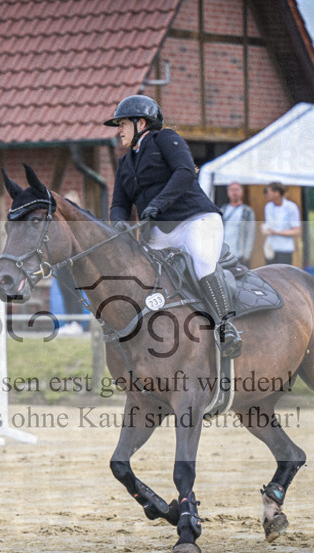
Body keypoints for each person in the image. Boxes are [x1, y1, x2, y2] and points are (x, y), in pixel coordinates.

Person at [104, 94, 240, 357]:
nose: (118, 129)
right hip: (158, 231)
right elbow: (119, 203)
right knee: (137, 269)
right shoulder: (124, 163)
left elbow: (185, 171)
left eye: (122, 124)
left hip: (195, 219)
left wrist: (158, 204)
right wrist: (119, 224)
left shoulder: (165, 139)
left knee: (201, 262)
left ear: (141, 123)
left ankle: (226, 326)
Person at [261, 181, 301, 265]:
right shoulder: (268, 207)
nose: (266, 195)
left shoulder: (291, 207)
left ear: (277, 193)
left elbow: (296, 230)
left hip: (284, 248)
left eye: (268, 192)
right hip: (270, 247)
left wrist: (276, 232)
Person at [219, 182, 256, 265]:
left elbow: (251, 234)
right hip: (223, 254)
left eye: (236, 190)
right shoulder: (222, 210)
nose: (234, 192)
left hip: (239, 254)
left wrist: (247, 254)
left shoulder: (247, 212)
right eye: (232, 190)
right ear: (228, 192)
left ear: (242, 192)